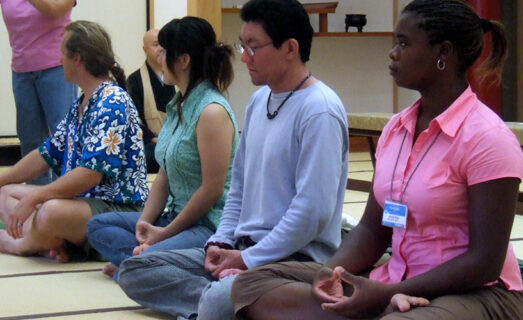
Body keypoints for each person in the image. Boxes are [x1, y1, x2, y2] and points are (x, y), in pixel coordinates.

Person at [230, 1, 523, 319]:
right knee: (251, 284)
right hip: (394, 279)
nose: (393, 53)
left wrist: (389, 293)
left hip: (474, 293)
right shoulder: (396, 129)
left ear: (443, 53)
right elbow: (373, 229)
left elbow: (485, 261)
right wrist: (329, 271)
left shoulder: (488, 138)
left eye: (403, 43)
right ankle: (372, 308)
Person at [114, 1, 351, 319]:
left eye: (253, 47)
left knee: (217, 301)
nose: (243, 56)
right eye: (243, 45)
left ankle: (229, 299)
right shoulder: (258, 101)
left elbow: (312, 213)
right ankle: (238, 301)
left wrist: (248, 260)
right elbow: (237, 187)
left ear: (290, 48)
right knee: (134, 270)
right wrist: (221, 242)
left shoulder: (319, 109)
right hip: (245, 249)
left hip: (295, 259)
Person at [0, 20, 148, 263]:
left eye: (61, 53)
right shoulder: (82, 102)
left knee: (49, 211)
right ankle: (50, 243)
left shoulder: (112, 101)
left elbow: (90, 175)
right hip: (81, 204)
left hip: (116, 208)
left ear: (77, 59)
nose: (59, 59)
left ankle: (24, 244)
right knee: (5, 194)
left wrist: (37, 197)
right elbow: (46, 154)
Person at [86, 17, 239, 278]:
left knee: (146, 258)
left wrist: (165, 234)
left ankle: (144, 263)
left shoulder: (212, 111)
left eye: (165, 50)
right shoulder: (179, 102)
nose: (160, 56)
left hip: (207, 226)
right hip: (175, 216)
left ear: (183, 60)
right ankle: (143, 263)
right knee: (97, 226)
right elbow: (165, 175)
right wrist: (146, 225)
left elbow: (211, 191)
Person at [0, 0, 79, 185]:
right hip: (22, 71)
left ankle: (66, 195)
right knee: (30, 138)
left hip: (58, 68)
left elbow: (54, 10)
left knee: (64, 135)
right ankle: (36, 195)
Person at [126, 29, 177, 173]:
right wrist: (153, 138)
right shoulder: (135, 80)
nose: (161, 48)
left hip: (176, 141)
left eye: (163, 44)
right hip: (151, 142)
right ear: (145, 49)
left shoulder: (177, 77)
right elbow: (133, 119)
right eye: (155, 44)